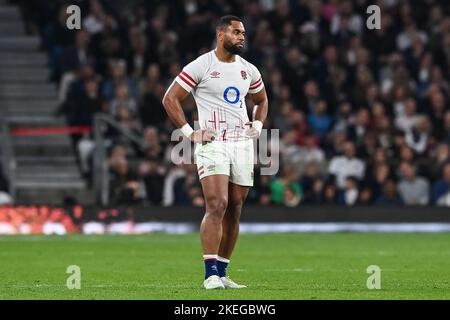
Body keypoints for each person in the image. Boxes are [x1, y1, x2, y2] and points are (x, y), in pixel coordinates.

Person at [162, 16, 269, 290]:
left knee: (235, 207)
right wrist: (190, 133)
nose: (242, 36)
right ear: (221, 35)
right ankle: (209, 273)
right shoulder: (203, 65)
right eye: (236, 32)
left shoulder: (249, 70)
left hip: (242, 143)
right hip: (213, 143)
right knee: (217, 203)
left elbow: (261, 100)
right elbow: (170, 98)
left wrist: (257, 124)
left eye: (244, 32)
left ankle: (222, 272)